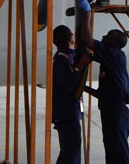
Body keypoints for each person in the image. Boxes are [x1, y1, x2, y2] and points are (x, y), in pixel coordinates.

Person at [76, 0, 129, 164]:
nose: (103, 37)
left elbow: (87, 40)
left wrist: (86, 13)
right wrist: (82, 87)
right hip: (110, 112)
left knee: (119, 153)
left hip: (117, 113)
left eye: (108, 36)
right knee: (111, 150)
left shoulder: (114, 55)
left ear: (115, 44)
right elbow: (102, 94)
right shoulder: (110, 60)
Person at [52, 24, 90, 164]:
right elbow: (67, 86)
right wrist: (80, 67)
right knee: (71, 152)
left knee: (68, 151)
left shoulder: (67, 56)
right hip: (66, 113)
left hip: (68, 112)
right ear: (69, 38)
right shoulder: (62, 59)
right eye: (72, 33)